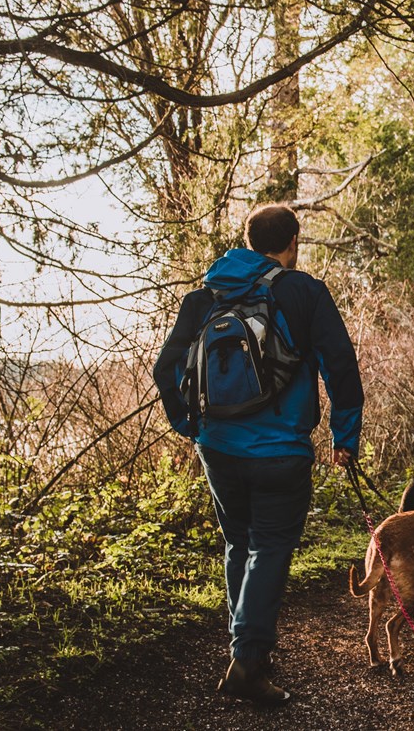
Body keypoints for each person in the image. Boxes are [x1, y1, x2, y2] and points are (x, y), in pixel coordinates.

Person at [153, 203, 363, 706]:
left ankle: (248, 651)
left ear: (249, 242)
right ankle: (247, 662)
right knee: (269, 545)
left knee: (239, 543)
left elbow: (166, 369)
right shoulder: (304, 291)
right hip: (281, 450)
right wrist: (344, 436)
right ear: (292, 241)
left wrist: (191, 425)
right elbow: (341, 365)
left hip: (218, 448)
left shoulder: (205, 296)